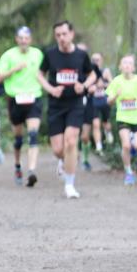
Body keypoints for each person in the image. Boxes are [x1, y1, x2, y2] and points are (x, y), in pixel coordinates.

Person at [37, 20, 96, 199]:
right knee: (57, 149)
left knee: (71, 142)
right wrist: (51, 89)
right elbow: (39, 74)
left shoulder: (81, 55)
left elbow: (92, 74)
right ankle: (64, 161)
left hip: (75, 104)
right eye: (58, 35)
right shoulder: (50, 54)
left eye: (64, 34)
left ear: (71, 34)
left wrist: (83, 85)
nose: (61, 38)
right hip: (56, 105)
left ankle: (69, 185)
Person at [0, 26, 44, 186]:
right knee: (18, 139)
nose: (24, 41)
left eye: (27, 38)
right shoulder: (8, 55)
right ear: (17, 39)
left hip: (34, 97)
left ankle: (31, 171)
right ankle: (17, 166)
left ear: (30, 39)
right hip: (15, 100)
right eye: (21, 38)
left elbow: (44, 73)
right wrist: (14, 70)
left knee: (33, 135)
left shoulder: (37, 54)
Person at [106, 54, 137, 186]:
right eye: (124, 63)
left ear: (134, 67)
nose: (127, 65)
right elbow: (108, 101)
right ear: (120, 67)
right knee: (125, 145)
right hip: (123, 118)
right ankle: (129, 172)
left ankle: (132, 143)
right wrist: (115, 96)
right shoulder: (116, 81)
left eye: (130, 63)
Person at [78, 47, 104, 172]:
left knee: (84, 136)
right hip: (73, 103)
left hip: (88, 103)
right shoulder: (72, 66)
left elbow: (99, 82)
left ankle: (85, 159)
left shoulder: (93, 67)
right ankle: (71, 158)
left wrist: (94, 86)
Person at [91, 55, 113, 151]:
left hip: (104, 100)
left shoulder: (106, 71)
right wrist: (94, 86)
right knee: (95, 124)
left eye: (97, 59)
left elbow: (112, 85)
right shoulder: (90, 72)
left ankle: (108, 132)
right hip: (94, 101)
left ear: (101, 61)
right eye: (93, 60)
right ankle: (98, 146)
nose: (96, 61)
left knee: (106, 122)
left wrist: (103, 85)